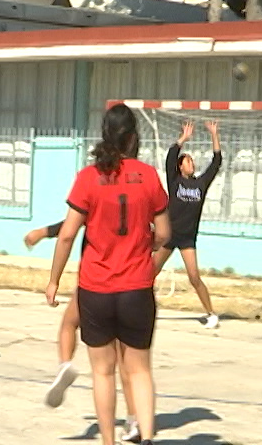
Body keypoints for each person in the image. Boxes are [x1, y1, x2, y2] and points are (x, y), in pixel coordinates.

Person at [46, 104, 171, 445]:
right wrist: (145, 247)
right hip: (136, 287)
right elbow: (164, 233)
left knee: (102, 371)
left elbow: (68, 234)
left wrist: (54, 279)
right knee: (139, 368)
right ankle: (145, 436)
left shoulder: (88, 177)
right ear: (134, 138)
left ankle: (108, 440)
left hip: (96, 288)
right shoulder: (148, 175)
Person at [25, 224, 140, 442]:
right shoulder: (142, 196)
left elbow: (69, 228)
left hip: (98, 279)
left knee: (69, 325)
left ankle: (65, 365)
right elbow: (161, 236)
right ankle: (134, 420)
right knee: (127, 360)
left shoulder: (99, 194)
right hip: (132, 283)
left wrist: (41, 234)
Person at [152, 120, 222, 329]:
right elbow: (170, 156)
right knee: (149, 273)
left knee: (194, 277)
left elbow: (217, 161)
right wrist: (183, 138)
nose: (192, 164)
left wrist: (214, 135)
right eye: (188, 161)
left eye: (192, 161)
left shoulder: (200, 183)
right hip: (170, 234)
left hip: (187, 238)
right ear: (180, 166)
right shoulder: (175, 181)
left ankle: (211, 314)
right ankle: (140, 308)